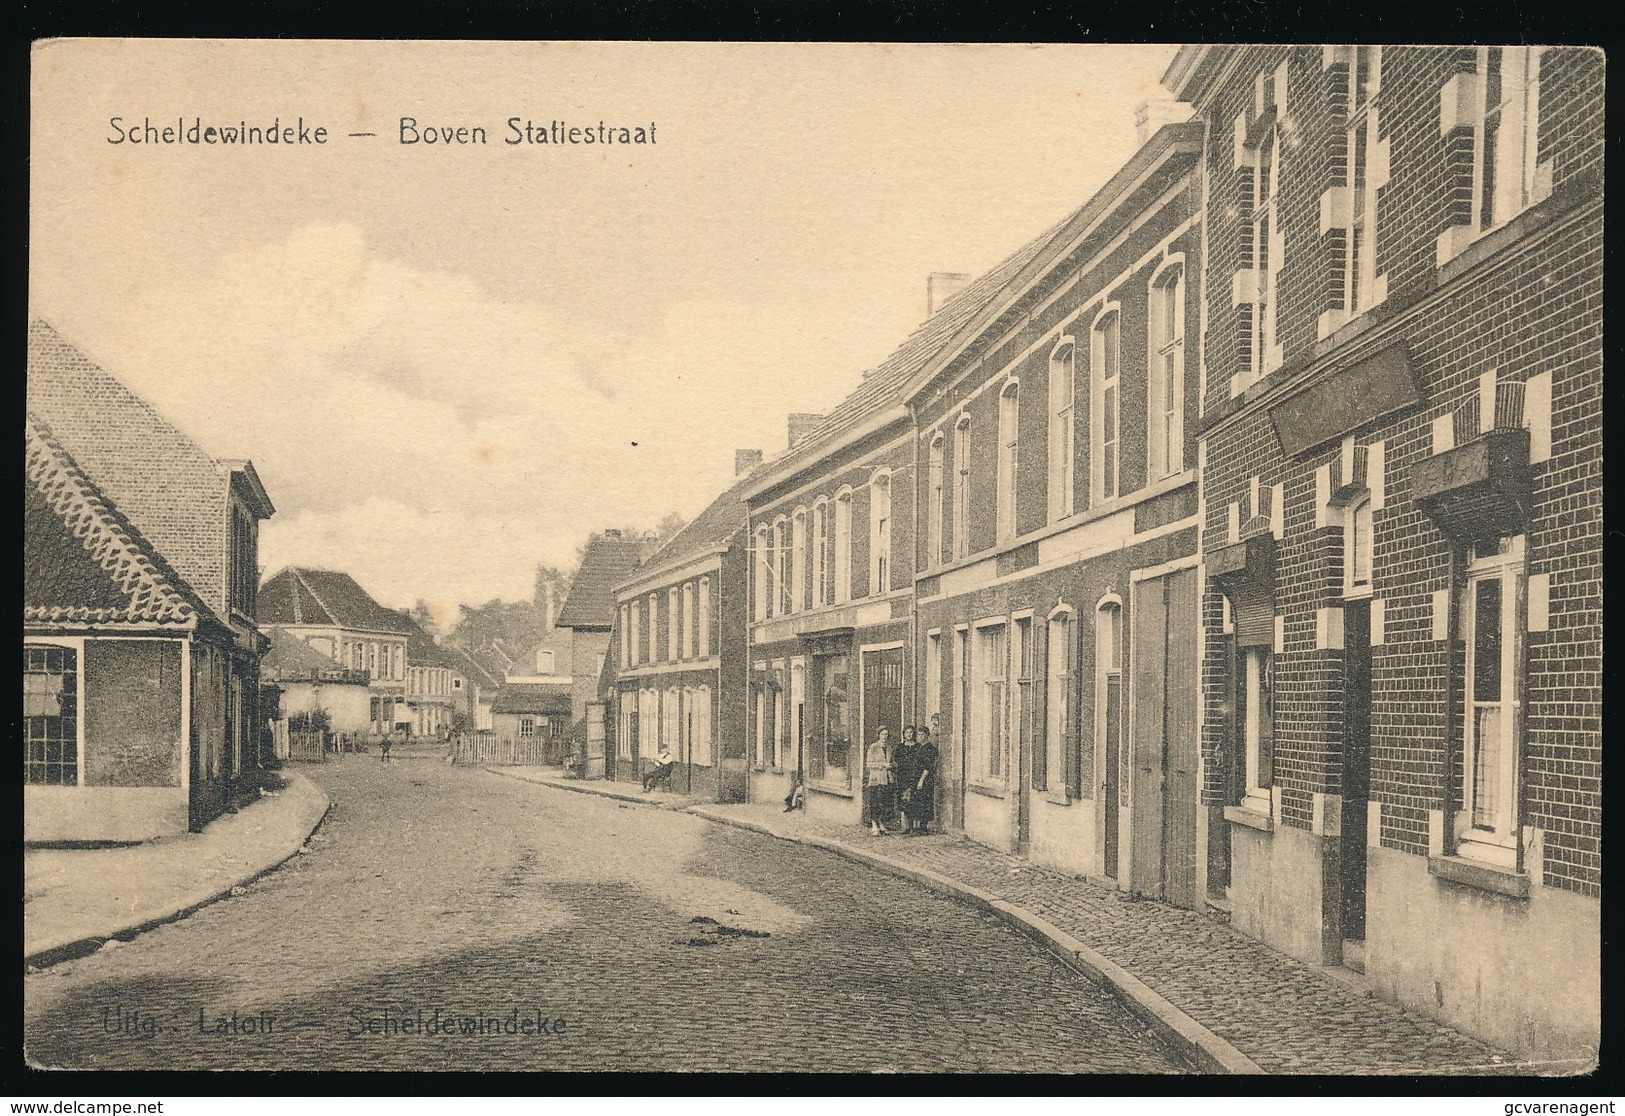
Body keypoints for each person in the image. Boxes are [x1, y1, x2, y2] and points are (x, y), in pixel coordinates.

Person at [906, 724, 938, 835]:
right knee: (917, 802)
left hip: (925, 780)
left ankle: (923, 827)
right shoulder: (919, 747)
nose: (919, 736)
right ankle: (918, 827)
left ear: (927, 735)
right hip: (916, 779)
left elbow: (928, 767)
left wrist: (921, 780)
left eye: (922, 734)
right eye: (918, 734)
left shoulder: (930, 749)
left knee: (925, 802)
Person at [864, 727, 894, 836]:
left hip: (886, 778)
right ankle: (874, 824)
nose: (884, 737)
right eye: (882, 734)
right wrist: (882, 765)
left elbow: (891, 761)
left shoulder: (889, 748)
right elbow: (869, 764)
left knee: (884, 802)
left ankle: (881, 822)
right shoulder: (873, 747)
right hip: (876, 778)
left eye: (886, 734)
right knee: (875, 802)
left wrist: (890, 766)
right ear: (878, 735)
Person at [893, 726, 919, 833]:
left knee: (913, 799)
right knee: (904, 800)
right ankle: (907, 826)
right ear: (904, 734)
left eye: (911, 732)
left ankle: (914, 826)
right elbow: (895, 760)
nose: (909, 734)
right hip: (903, 776)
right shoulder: (899, 747)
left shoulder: (917, 747)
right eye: (907, 732)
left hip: (914, 776)